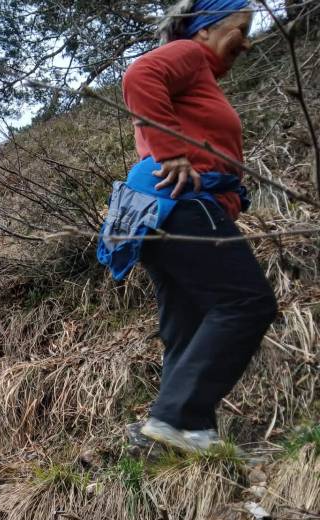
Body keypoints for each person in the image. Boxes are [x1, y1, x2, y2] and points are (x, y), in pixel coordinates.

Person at [102, 0, 278, 453]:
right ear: (204, 28)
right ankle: (178, 420)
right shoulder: (190, 55)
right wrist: (173, 153)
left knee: (188, 323)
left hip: (152, 209)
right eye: (241, 28)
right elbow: (140, 75)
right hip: (178, 202)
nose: (247, 41)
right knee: (246, 302)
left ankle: (173, 437)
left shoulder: (198, 78)